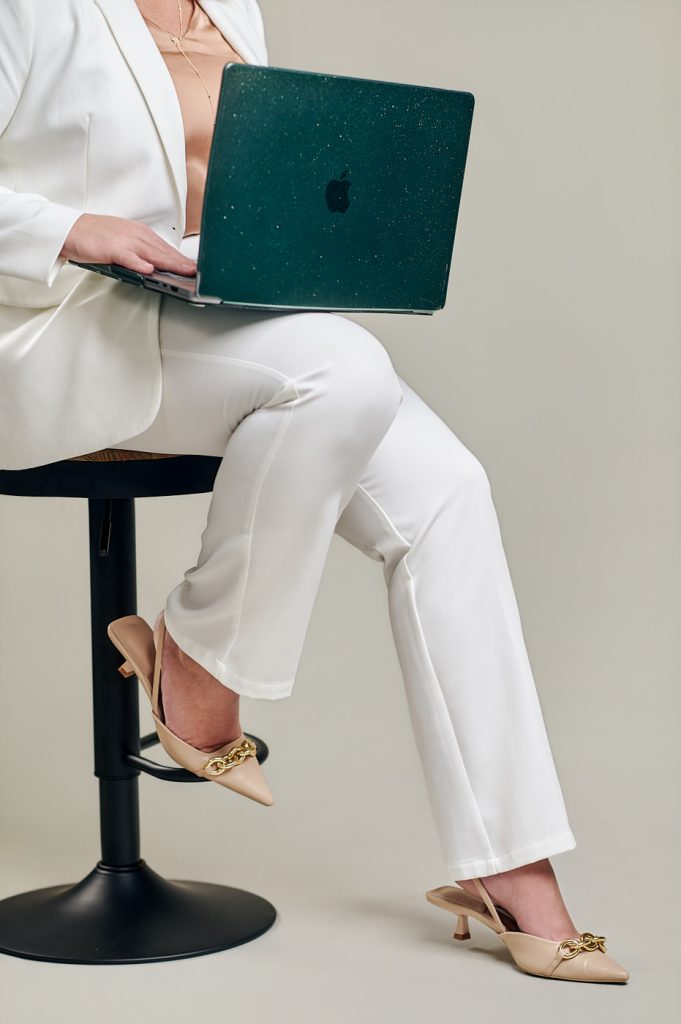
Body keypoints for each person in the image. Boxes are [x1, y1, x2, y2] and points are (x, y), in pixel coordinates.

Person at [0, 0, 629, 983]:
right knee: (342, 370)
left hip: (203, 311)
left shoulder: (234, 7)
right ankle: (200, 663)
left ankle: (513, 867)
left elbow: (236, 186)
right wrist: (75, 227)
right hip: (58, 324)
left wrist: (288, 246)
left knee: (448, 487)